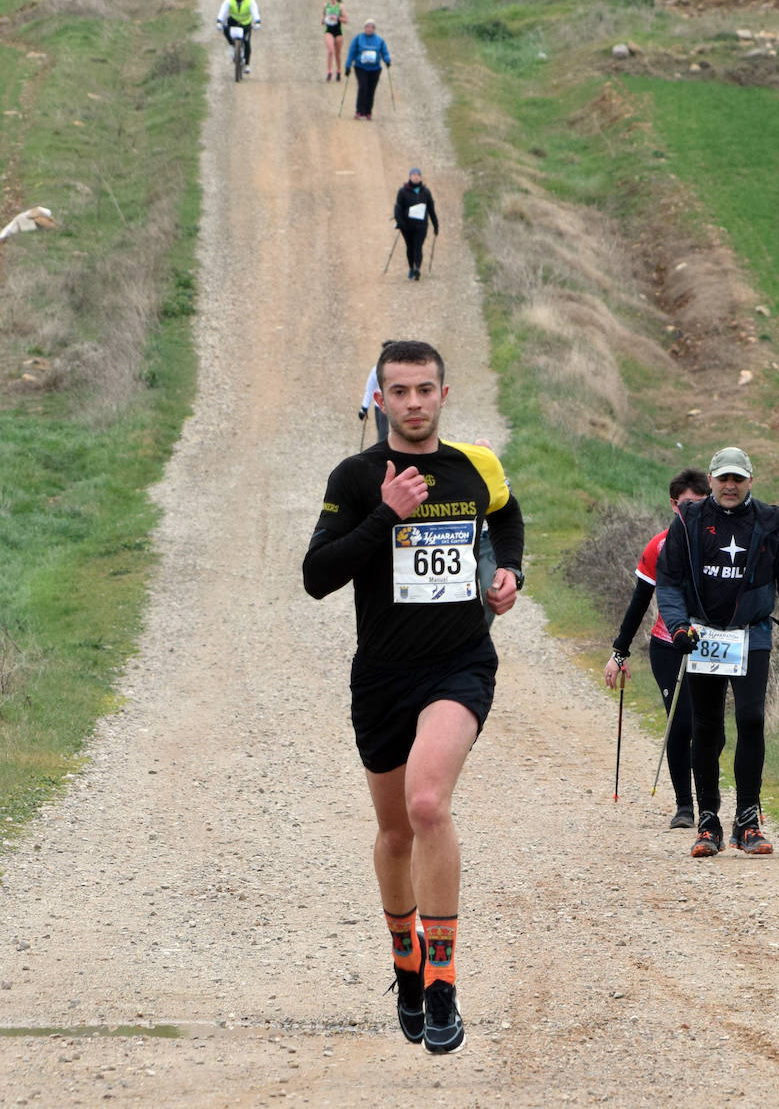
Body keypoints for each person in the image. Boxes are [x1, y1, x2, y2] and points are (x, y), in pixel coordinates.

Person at [303, 339, 525, 1055]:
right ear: (381, 400)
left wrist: (509, 572)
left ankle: (441, 983)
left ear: (443, 393)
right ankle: (403, 961)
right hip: (382, 677)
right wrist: (385, 516)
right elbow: (316, 575)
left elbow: (506, 515)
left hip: (459, 666)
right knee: (395, 832)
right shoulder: (359, 475)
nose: (413, 403)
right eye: (398, 392)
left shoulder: (471, 465)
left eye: (424, 389)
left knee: (429, 805)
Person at [655, 446, 779, 859]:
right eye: (723, 478)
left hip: (751, 635)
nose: (730, 485)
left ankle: (748, 819)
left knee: (752, 719)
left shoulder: (773, 524)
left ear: (750, 482)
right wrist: (678, 626)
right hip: (703, 636)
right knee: (706, 728)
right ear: (711, 481)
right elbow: (667, 582)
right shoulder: (688, 521)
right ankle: (708, 820)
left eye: (738, 479)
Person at [603, 468, 711, 829]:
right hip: (668, 646)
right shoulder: (660, 545)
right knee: (679, 725)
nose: (694, 511)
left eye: (701, 503)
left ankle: (709, 800)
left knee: (712, 731)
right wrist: (619, 653)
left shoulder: (721, 542)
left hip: (714, 648)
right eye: (686, 505)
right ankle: (685, 806)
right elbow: (639, 602)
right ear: (673, 505)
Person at [394, 168, 439, 281]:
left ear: (420, 177)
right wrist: (400, 223)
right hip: (407, 226)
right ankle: (411, 268)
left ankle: (417, 268)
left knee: (418, 246)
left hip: (421, 225)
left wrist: (435, 225)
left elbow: (431, 209)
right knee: (410, 247)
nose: (415, 177)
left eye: (417, 175)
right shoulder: (403, 191)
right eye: (413, 175)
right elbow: (398, 209)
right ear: (410, 177)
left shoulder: (426, 192)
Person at [345, 19, 391, 121]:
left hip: (375, 69)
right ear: (364, 28)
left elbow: (384, 52)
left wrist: (387, 60)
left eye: (371, 27)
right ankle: (359, 111)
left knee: (371, 90)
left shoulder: (379, 40)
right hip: (361, 67)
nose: (369, 29)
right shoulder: (358, 39)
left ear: (374, 29)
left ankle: (368, 112)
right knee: (363, 87)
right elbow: (351, 52)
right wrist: (348, 66)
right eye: (367, 26)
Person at [216, 0, 261, 73]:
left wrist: (257, 22)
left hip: (246, 23)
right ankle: (232, 45)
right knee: (225, 29)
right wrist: (219, 21)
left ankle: (247, 64)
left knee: (247, 42)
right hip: (233, 21)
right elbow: (223, 9)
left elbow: (254, 11)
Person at [358, 342, 393, 442]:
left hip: (397, 407)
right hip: (381, 407)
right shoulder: (376, 370)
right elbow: (370, 390)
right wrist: (364, 408)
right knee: (383, 437)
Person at [323, 0, 348, 82]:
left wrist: (337, 18)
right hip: (328, 30)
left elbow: (345, 19)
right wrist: (323, 20)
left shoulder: (340, 6)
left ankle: (338, 71)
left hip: (338, 31)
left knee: (337, 54)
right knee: (330, 51)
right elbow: (323, 16)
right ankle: (329, 72)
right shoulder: (326, 5)